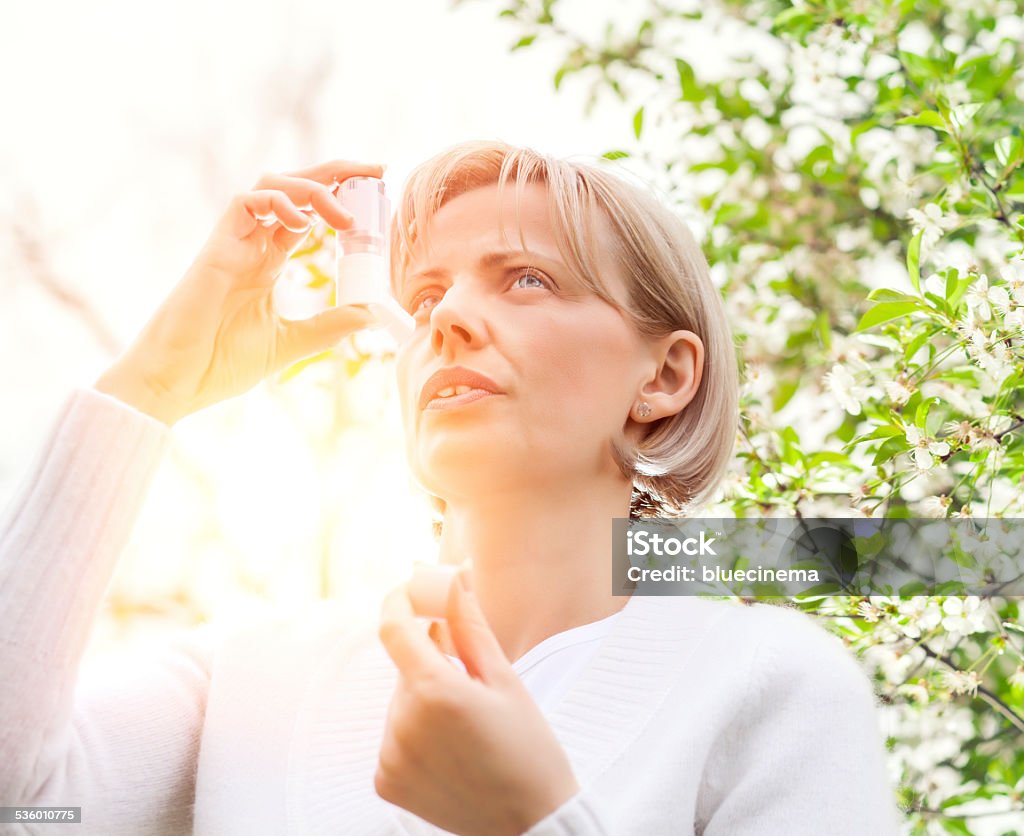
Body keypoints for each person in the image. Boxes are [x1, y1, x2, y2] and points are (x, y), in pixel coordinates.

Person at [0, 140, 900, 835]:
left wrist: (530, 818)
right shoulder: (247, 677)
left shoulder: (770, 687)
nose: (450, 319)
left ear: (663, 378)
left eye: (528, 280)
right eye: (425, 298)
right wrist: (153, 385)